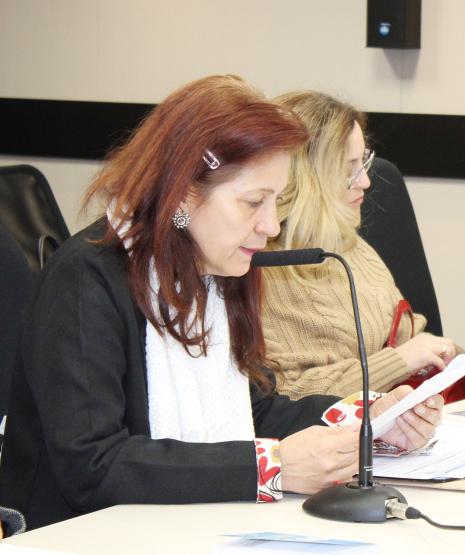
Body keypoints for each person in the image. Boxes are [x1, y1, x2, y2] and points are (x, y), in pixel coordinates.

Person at [0, 76, 442, 530]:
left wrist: (370, 418)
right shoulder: (85, 279)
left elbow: (254, 409)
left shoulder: (218, 270)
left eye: (276, 201)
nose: (270, 226)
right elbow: (93, 465)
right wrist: (271, 468)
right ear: (185, 195)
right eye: (253, 203)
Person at [262, 91, 458, 400]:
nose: (365, 181)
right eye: (348, 168)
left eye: (363, 162)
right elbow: (289, 397)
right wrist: (400, 361)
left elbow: (408, 335)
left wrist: (447, 355)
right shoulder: (263, 271)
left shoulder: (351, 246)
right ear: (309, 176)